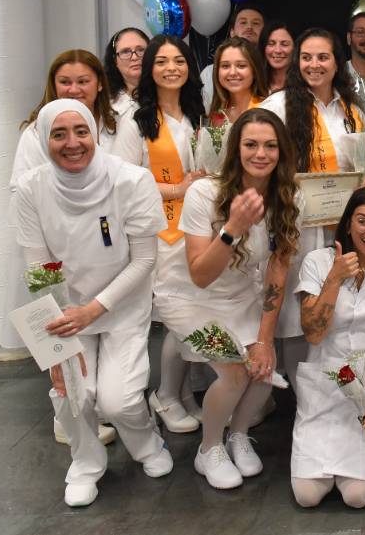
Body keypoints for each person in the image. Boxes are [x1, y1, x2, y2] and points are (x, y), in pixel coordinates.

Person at [10, 99, 173, 507]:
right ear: (44, 138)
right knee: (72, 393)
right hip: (65, 312)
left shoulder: (132, 180)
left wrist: (95, 309)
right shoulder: (31, 189)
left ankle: (147, 443)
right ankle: (85, 462)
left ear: (95, 134)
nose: (72, 143)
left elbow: (145, 260)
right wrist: (55, 354)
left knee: (118, 400)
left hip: (121, 306)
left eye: (80, 131)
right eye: (59, 134)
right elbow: (38, 271)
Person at [165, 107, 301, 489]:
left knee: (262, 368)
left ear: (282, 151)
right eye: (251, 145)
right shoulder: (204, 193)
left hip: (243, 294)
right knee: (234, 373)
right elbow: (200, 275)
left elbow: (278, 270)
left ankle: (238, 435)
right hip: (191, 298)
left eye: (270, 146)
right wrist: (232, 229)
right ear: (235, 149)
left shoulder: (289, 197)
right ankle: (208, 448)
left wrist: (264, 340)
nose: (261, 154)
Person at [260, 28, 365, 384]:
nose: (314, 64)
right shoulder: (277, 106)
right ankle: (291, 387)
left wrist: (363, 181)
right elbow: (253, 157)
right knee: (293, 305)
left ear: (338, 63)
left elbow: (358, 163)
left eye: (323, 57)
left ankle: (325, 382)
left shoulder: (351, 112)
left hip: (339, 224)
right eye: (306, 57)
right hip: (296, 224)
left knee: (332, 296)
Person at [111, 35, 207, 434]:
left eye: (179, 60)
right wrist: (176, 189)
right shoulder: (138, 121)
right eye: (162, 61)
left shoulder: (197, 116)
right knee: (177, 317)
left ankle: (182, 394)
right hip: (163, 235)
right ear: (150, 68)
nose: (172, 68)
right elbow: (120, 180)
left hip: (198, 230)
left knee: (195, 313)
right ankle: (165, 396)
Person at [291, 187, 365, 508]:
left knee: (357, 497)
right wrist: (334, 279)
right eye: (363, 221)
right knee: (306, 496)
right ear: (348, 224)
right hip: (325, 385)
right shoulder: (319, 261)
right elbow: (313, 333)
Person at [14, 50, 119, 181]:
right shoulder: (35, 133)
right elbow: (21, 186)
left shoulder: (120, 123)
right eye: (65, 82)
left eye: (83, 82)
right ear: (54, 85)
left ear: (100, 84)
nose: (73, 90)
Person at [194, 37, 267, 174]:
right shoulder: (212, 118)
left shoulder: (269, 108)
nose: (232, 72)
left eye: (241, 65)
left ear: (254, 70)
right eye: (225, 66)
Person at [200, 4, 265, 107]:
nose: (249, 27)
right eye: (243, 22)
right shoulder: (209, 73)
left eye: (256, 23)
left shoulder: (271, 70)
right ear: (232, 32)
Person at [103, 27, 149, 119]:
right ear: (114, 60)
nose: (134, 57)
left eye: (141, 50)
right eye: (125, 52)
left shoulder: (165, 95)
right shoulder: (105, 104)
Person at [259, 20, 295, 96]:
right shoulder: (254, 85)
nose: (277, 50)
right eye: (271, 44)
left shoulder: (305, 87)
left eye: (284, 44)